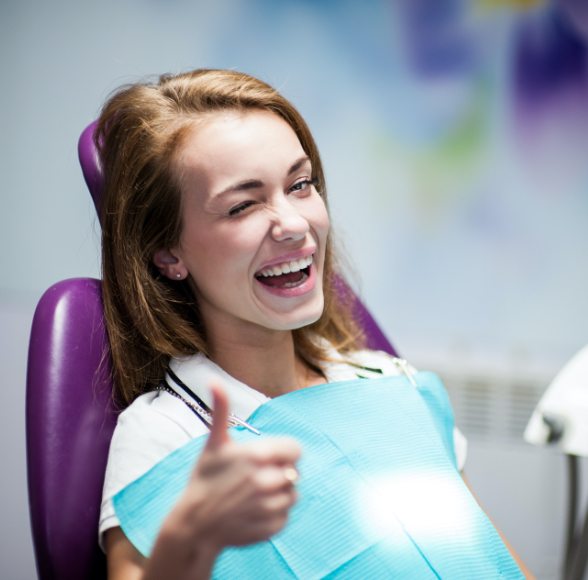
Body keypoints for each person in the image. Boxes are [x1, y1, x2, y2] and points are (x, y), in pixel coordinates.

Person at [96, 68, 532, 579]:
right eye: (242, 205)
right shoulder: (166, 434)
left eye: (300, 185)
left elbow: (487, 559)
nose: (295, 223)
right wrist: (185, 541)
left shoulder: (388, 382)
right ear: (168, 253)